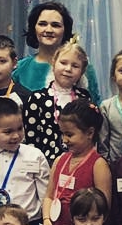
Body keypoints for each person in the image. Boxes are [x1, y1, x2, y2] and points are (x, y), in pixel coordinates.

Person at [40, 99, 111, 225]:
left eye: (69, 134)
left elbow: (104, 209)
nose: (64, 140)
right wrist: (46, 219)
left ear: (90, 133)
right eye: (62, 133)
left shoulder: (98, 165)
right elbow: (49, 196)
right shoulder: (59, 160)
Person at [23, 36, 93, 167]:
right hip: (46, 164)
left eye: (75, 66)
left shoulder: (84, 98)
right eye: (63, 63)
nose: (68, 69)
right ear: (54, 63)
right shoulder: (37, 98)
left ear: (82, 71)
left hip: (78, 163)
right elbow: (31, 139)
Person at [13, 1, 102, 103]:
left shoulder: (83, 67)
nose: (48, 30)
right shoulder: (19, 69)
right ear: (34, 28)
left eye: (55, 25)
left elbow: (95, 105)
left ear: (65, 30)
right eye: (42, 24)